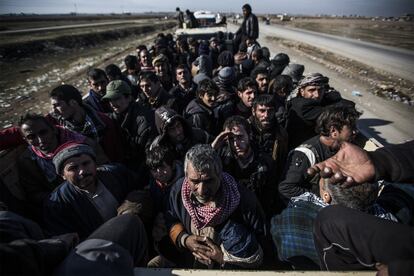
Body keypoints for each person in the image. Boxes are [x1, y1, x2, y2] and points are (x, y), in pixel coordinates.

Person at [307, 141, 414, 275]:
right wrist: (378, 161)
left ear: (326, 196)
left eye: (321, 183)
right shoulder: (398, 205)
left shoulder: (321, 226)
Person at [164, 144, 266, 268]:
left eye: (208, 181)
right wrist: (185, 240)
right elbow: (171, 221)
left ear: (220, 175)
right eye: (195, 181)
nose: (201, 190)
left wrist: (222, 259)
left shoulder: (245, 201)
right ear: (186, 176)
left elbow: (261, 248)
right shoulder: (177, 192)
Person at [44, 143, 147, 240]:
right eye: (73, 168)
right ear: (62, 175)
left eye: (86, 163)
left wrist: (130, 211)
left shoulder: (116, 174)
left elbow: (142, 191)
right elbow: (69, 240)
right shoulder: (58, 203)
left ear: (95, 164)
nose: (82, 171)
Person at [279, 105, 361, 202]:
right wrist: (320, 197)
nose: (356, 131)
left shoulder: (345, 148)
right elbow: (286, 188)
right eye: (351, 127)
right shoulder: (306, 154)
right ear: (333, 131)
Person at [16, 114, 90, 219]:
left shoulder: (76, 145)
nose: (41, 140)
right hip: (62, 206)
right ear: (26, 140)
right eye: (32, 137)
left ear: (53, 130)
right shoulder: (27, 161)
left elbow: (99, 167)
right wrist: (61, 198)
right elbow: (34, 193)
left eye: (43, 132)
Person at [212, 116, 277, 217]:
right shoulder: (222, 158)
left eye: (240, 137)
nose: (236, 144)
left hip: (257, 213)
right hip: (229, 213)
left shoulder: (265, 162)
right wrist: (213, 147)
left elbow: (270, 196)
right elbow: (198, 168)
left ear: (249, 135)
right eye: (231, 139)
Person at [47, 84, 123, 162]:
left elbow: (117, 152)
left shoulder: (104, 122)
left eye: (58, 105)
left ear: (73, 102)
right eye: (53, 106)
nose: (54, 111)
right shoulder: (59, 130)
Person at [286, 73, 355, 149]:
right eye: (311, 90)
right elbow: (344, 107)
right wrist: (335, 97)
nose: (317, 95)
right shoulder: (303, 106)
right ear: (302, 91)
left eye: (320, 90)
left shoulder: (313, 101)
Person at [102, 80, 155, 172]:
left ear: (129, 97)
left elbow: (147, 156)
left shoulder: (144, 120)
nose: (112, 103)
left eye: (117, 98)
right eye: (110, 100)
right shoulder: (112, 119)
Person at [249, 94, 288, 178]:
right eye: (262, 111)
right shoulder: (246, 129)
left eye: (270, 111)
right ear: (253, 111)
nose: (266, 115)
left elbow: (282, 162)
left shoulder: (280, 134)